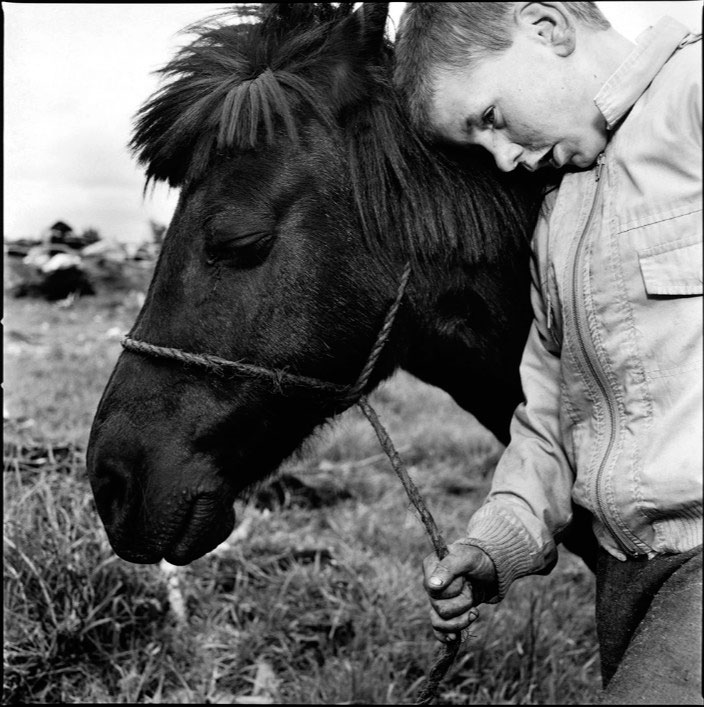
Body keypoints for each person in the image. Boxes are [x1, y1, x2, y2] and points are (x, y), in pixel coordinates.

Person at [394, 2, 702, 703]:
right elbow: (551, 417)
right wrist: (494, 544)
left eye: (492, 119)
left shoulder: (693, 94)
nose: (504, 158)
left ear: (545, 27)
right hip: (630, 576)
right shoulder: (556, 221)